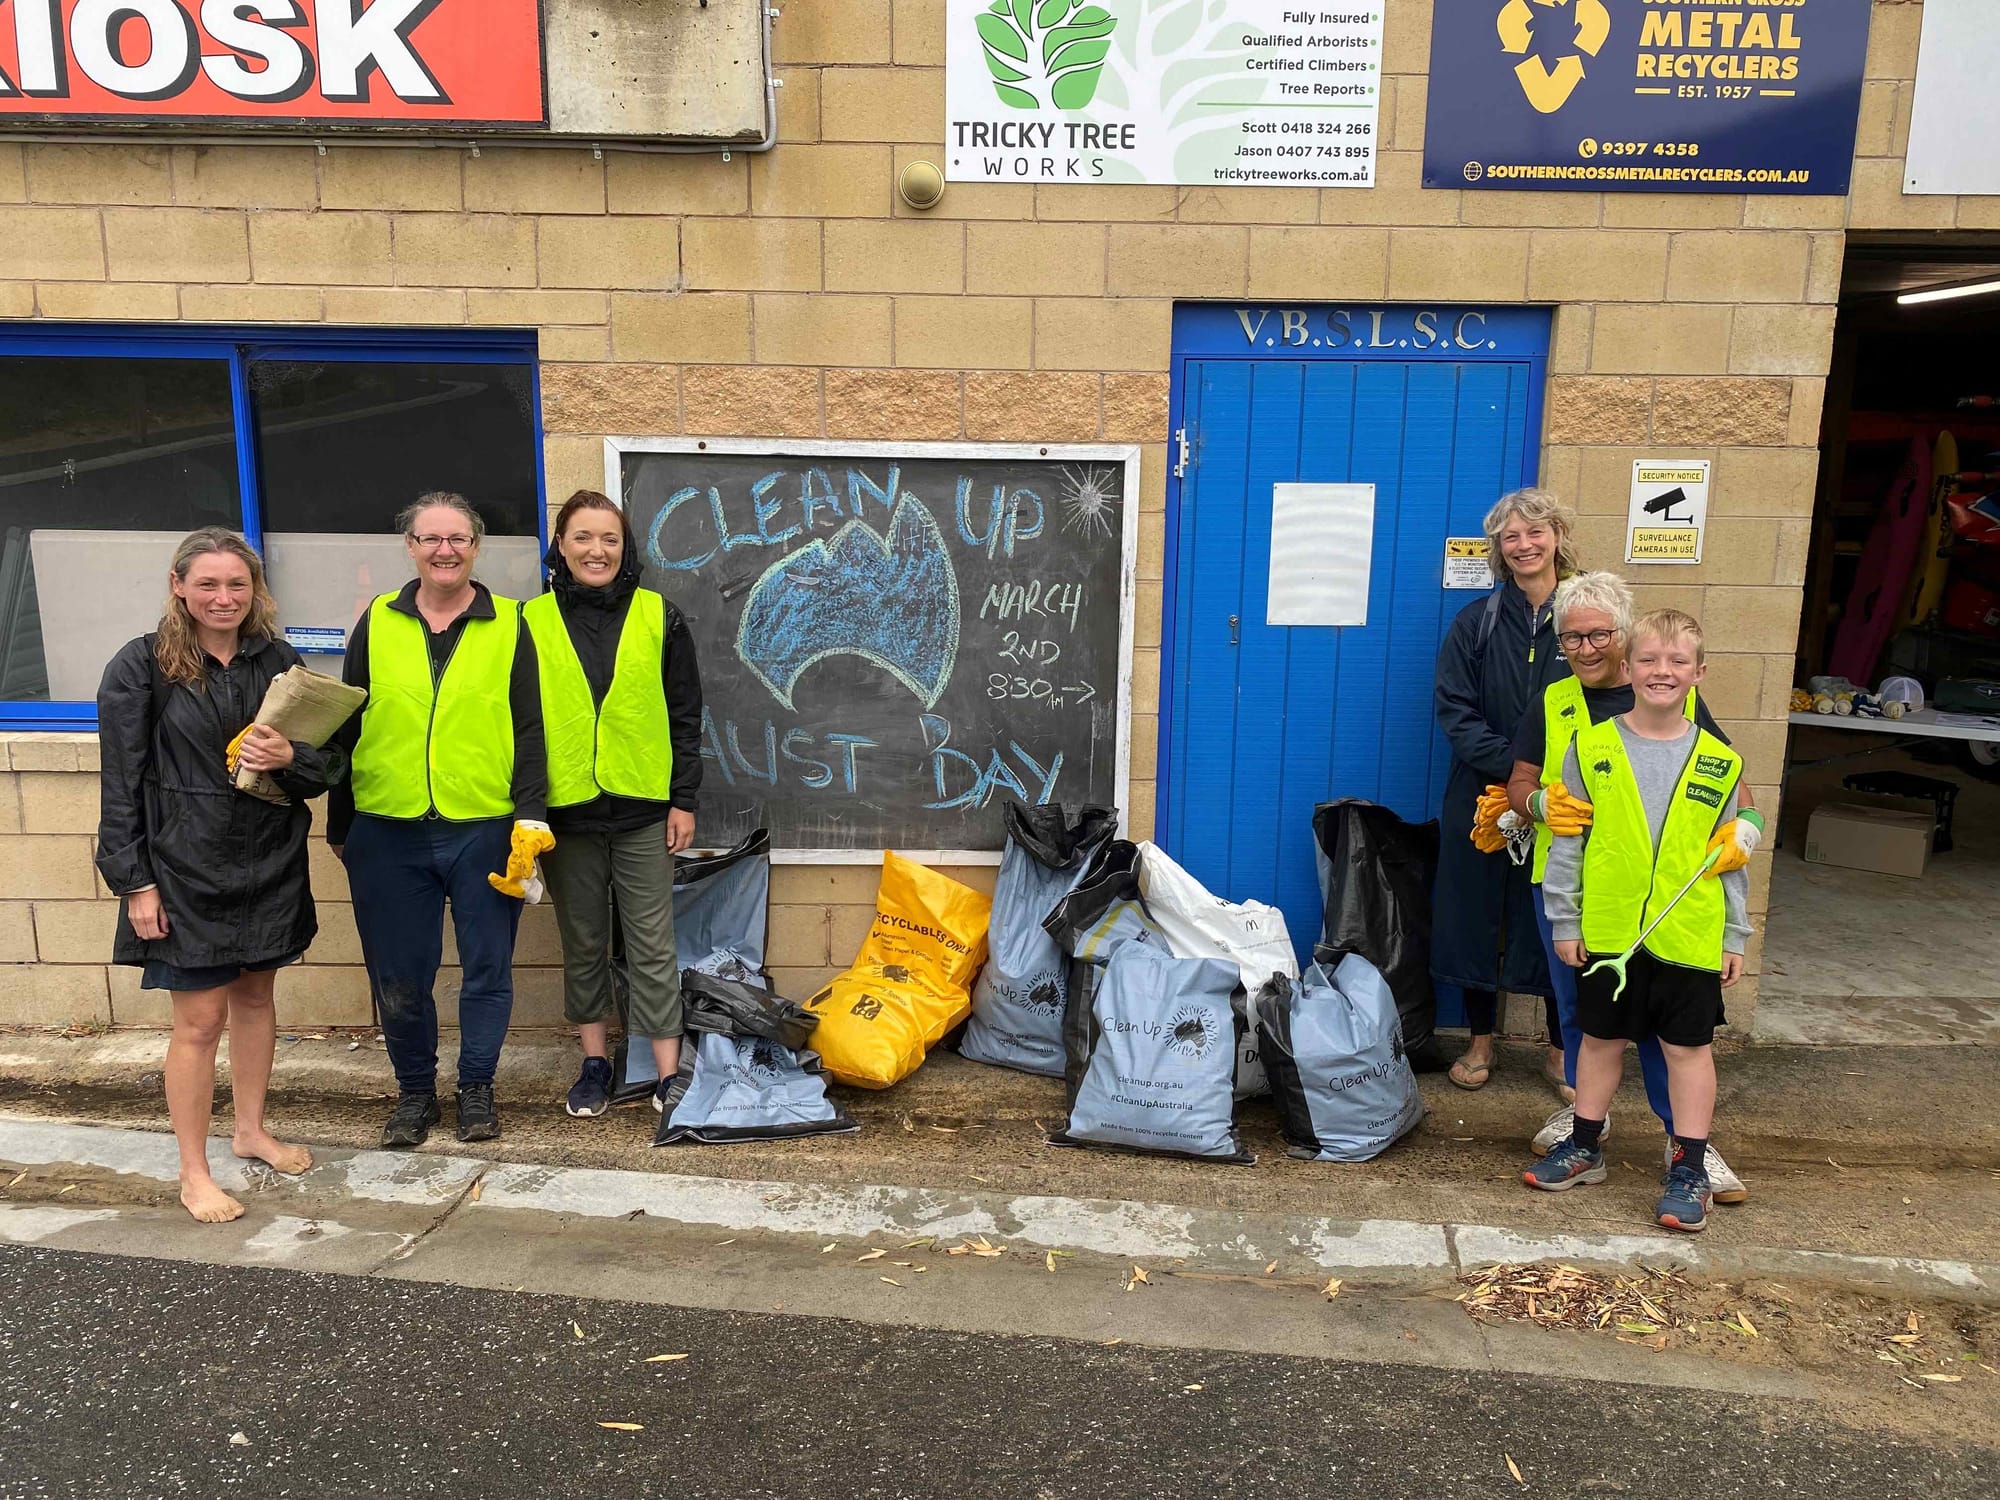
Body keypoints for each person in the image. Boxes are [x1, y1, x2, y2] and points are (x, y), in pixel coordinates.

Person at [96, 529, 344, 1223]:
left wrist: (286, 752)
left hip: (267, 856)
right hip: (183, 863)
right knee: (199, 1020)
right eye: (207, 584)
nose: (223, 597)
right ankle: (194, 1170)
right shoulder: (142, 665)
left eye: (237, 584)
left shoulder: (280, 660)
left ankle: (250, 1130)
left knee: (257, 999)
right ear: (178, 585)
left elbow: (320, 774)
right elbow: (120, 783)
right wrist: (134, 881)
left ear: (255, 590)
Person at [1485, 571, 1752, 1204]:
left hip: (1679, 917)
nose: (1584, 647)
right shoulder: (1560, 708)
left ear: (1623, 642)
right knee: (1587, 1022)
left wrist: (1752, 833)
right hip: (1591, 903)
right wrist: (1539, 806)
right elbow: (1523, 782)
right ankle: (1587, 1132)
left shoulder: (1692, 718)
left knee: (1678, 1038)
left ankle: (1684, 1146)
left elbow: (1734, 807)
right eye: (1571, 637)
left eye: (1599, 633)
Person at [327, 493, 549, 1150]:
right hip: (387, 827)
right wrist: (342, 824)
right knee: (399, 973)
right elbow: (347, 722)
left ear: (476, 547)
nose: (444, 550)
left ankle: (476, 1088)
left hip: (483, 824)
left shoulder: (512, 622)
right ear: (411, 547)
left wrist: (530, 817)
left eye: (457, 538)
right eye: (430, 539)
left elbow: (531, 728)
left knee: (488, 968)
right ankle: (415, 1094)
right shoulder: (379, 621)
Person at [524, 490, 704, 1118]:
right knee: (583, 940)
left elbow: (685, 715)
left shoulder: (661, 615)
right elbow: (518, 721)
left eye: (610, 539)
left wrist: (683, 800)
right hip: (566, 812)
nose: (596, 550)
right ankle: (595, 1064)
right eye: (583, 538)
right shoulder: (531, 621)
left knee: (652, 943)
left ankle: (666, 1075)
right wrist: (528, 809)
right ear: (562, 546)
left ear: (624, 550)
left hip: (643, 810)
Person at [1431, 488, 1573, 1091]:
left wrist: (1553, 781)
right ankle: (1481, 1041)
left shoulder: (1589, 617)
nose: (1523, 545)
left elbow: (1622, 700)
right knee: (1476, 913)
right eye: (1510, 537)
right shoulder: (1476, 623)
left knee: (1562, 910)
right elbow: (1455, 710)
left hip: (1569, 797)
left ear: (1558, 536)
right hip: (1484, 793)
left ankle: (1563, 1046)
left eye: (1535, 532)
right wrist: (1514, 771)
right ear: (1497, 549)